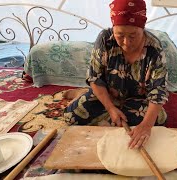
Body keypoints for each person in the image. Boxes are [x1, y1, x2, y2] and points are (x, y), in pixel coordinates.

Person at [64, 0, 169, 149]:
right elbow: (95, 77)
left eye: (133, 35)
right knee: (71, 116)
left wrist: (146, 125)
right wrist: (111, 109)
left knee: (159, 119)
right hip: (108, 95)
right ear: (113, 29)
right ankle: (90, 96)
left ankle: (94, 101)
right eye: (120, 35)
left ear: (142, 28)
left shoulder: (155, 49)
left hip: (138, 100)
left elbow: (158, 92)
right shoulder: (105, 39)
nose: (126, 42)